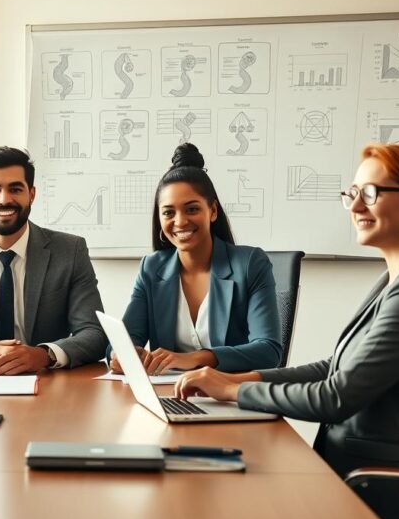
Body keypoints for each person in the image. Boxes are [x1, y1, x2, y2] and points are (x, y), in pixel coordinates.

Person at [175, 144, 399, 519]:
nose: (355, 206)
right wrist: (240, 377)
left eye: (370, 193)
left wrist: (233, 391)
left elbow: (337, 397)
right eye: (351, 194)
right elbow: (335, 366)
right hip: (357, 473)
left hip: (389, 492)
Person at [109, 143, 281, 375]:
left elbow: (268, 351)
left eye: (191, 209)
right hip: (171, 394)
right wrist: (121, 355)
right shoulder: (151, 268)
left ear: (212, 211)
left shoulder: (250, 264)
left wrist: (193, 359)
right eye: (169, 212)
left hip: (231, 395)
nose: (180, 222)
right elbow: (123, 341)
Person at [0, 146, 106, 373]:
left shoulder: (70, 250)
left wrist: (45, 355)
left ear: (31, 194)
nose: (4, 199)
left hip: (48, 383)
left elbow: (94, 333)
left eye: (15, 189)